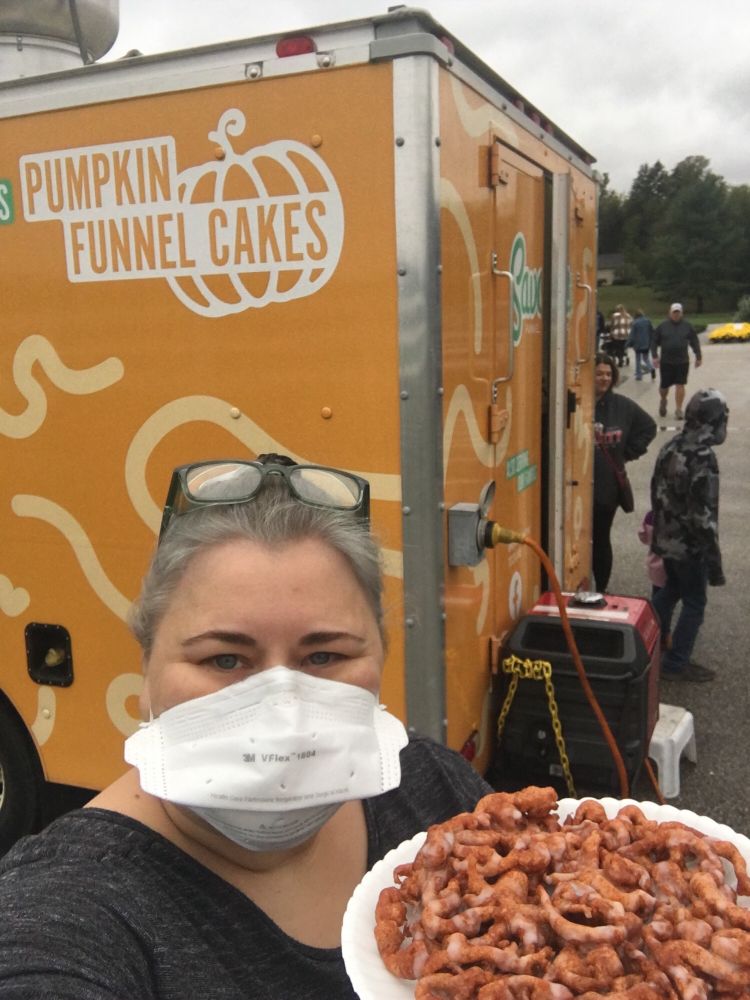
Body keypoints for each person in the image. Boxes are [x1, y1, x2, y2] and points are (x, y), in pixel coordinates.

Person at [0, 454, 492, 998]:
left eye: (324, 656)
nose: (282, 710)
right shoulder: (72, 906)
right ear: (147, 669)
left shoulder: (434, 792)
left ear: (380, 654)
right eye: (225, 659)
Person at [651, 390, 728, 683]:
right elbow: (703, 517)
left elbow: (656, 494)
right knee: (694, 602)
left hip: (667, 540)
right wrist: (714, 560)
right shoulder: (703, 458)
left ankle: (641, 637)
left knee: (671, 590)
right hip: (690, 547)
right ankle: (676, 663)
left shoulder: (671, 446)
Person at [593, 352, 657, 593]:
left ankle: (601, 588)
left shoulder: (622, 406)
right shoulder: (576, 401)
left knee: (600, 538)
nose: (604, 378)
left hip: (606, 489)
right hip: (574, 484)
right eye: (599, 374)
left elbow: (649, 427)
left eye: (608, 374)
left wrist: (626, 454)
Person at [653, 303, 702, 419]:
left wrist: (698, 356)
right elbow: (654, 341)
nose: (676, 315)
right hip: (666, 361)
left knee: (680, 384)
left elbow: (694, 341)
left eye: (678, 313)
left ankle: (679, 409)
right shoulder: (662, 326)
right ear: (670, 313)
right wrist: (654, 356)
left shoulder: (687, 326)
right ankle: (663, 400)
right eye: (674, 312)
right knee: (664, 386)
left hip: (682, 361)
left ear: (681, 313)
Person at [637, 509, 666, 596]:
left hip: (657, 565)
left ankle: (656, 604)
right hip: (684, 564)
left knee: (658, 592)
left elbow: (643, 537)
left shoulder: (652, 515)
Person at [627, 308, 656, 381]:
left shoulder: (635, 323)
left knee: (638, 360)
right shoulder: (648, 321)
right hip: (646, 344)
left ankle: (639, 375)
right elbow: (652, 331)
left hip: (638, 345)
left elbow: (632, 335)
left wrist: (627, 343)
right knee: (646, 358)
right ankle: (651, 368)